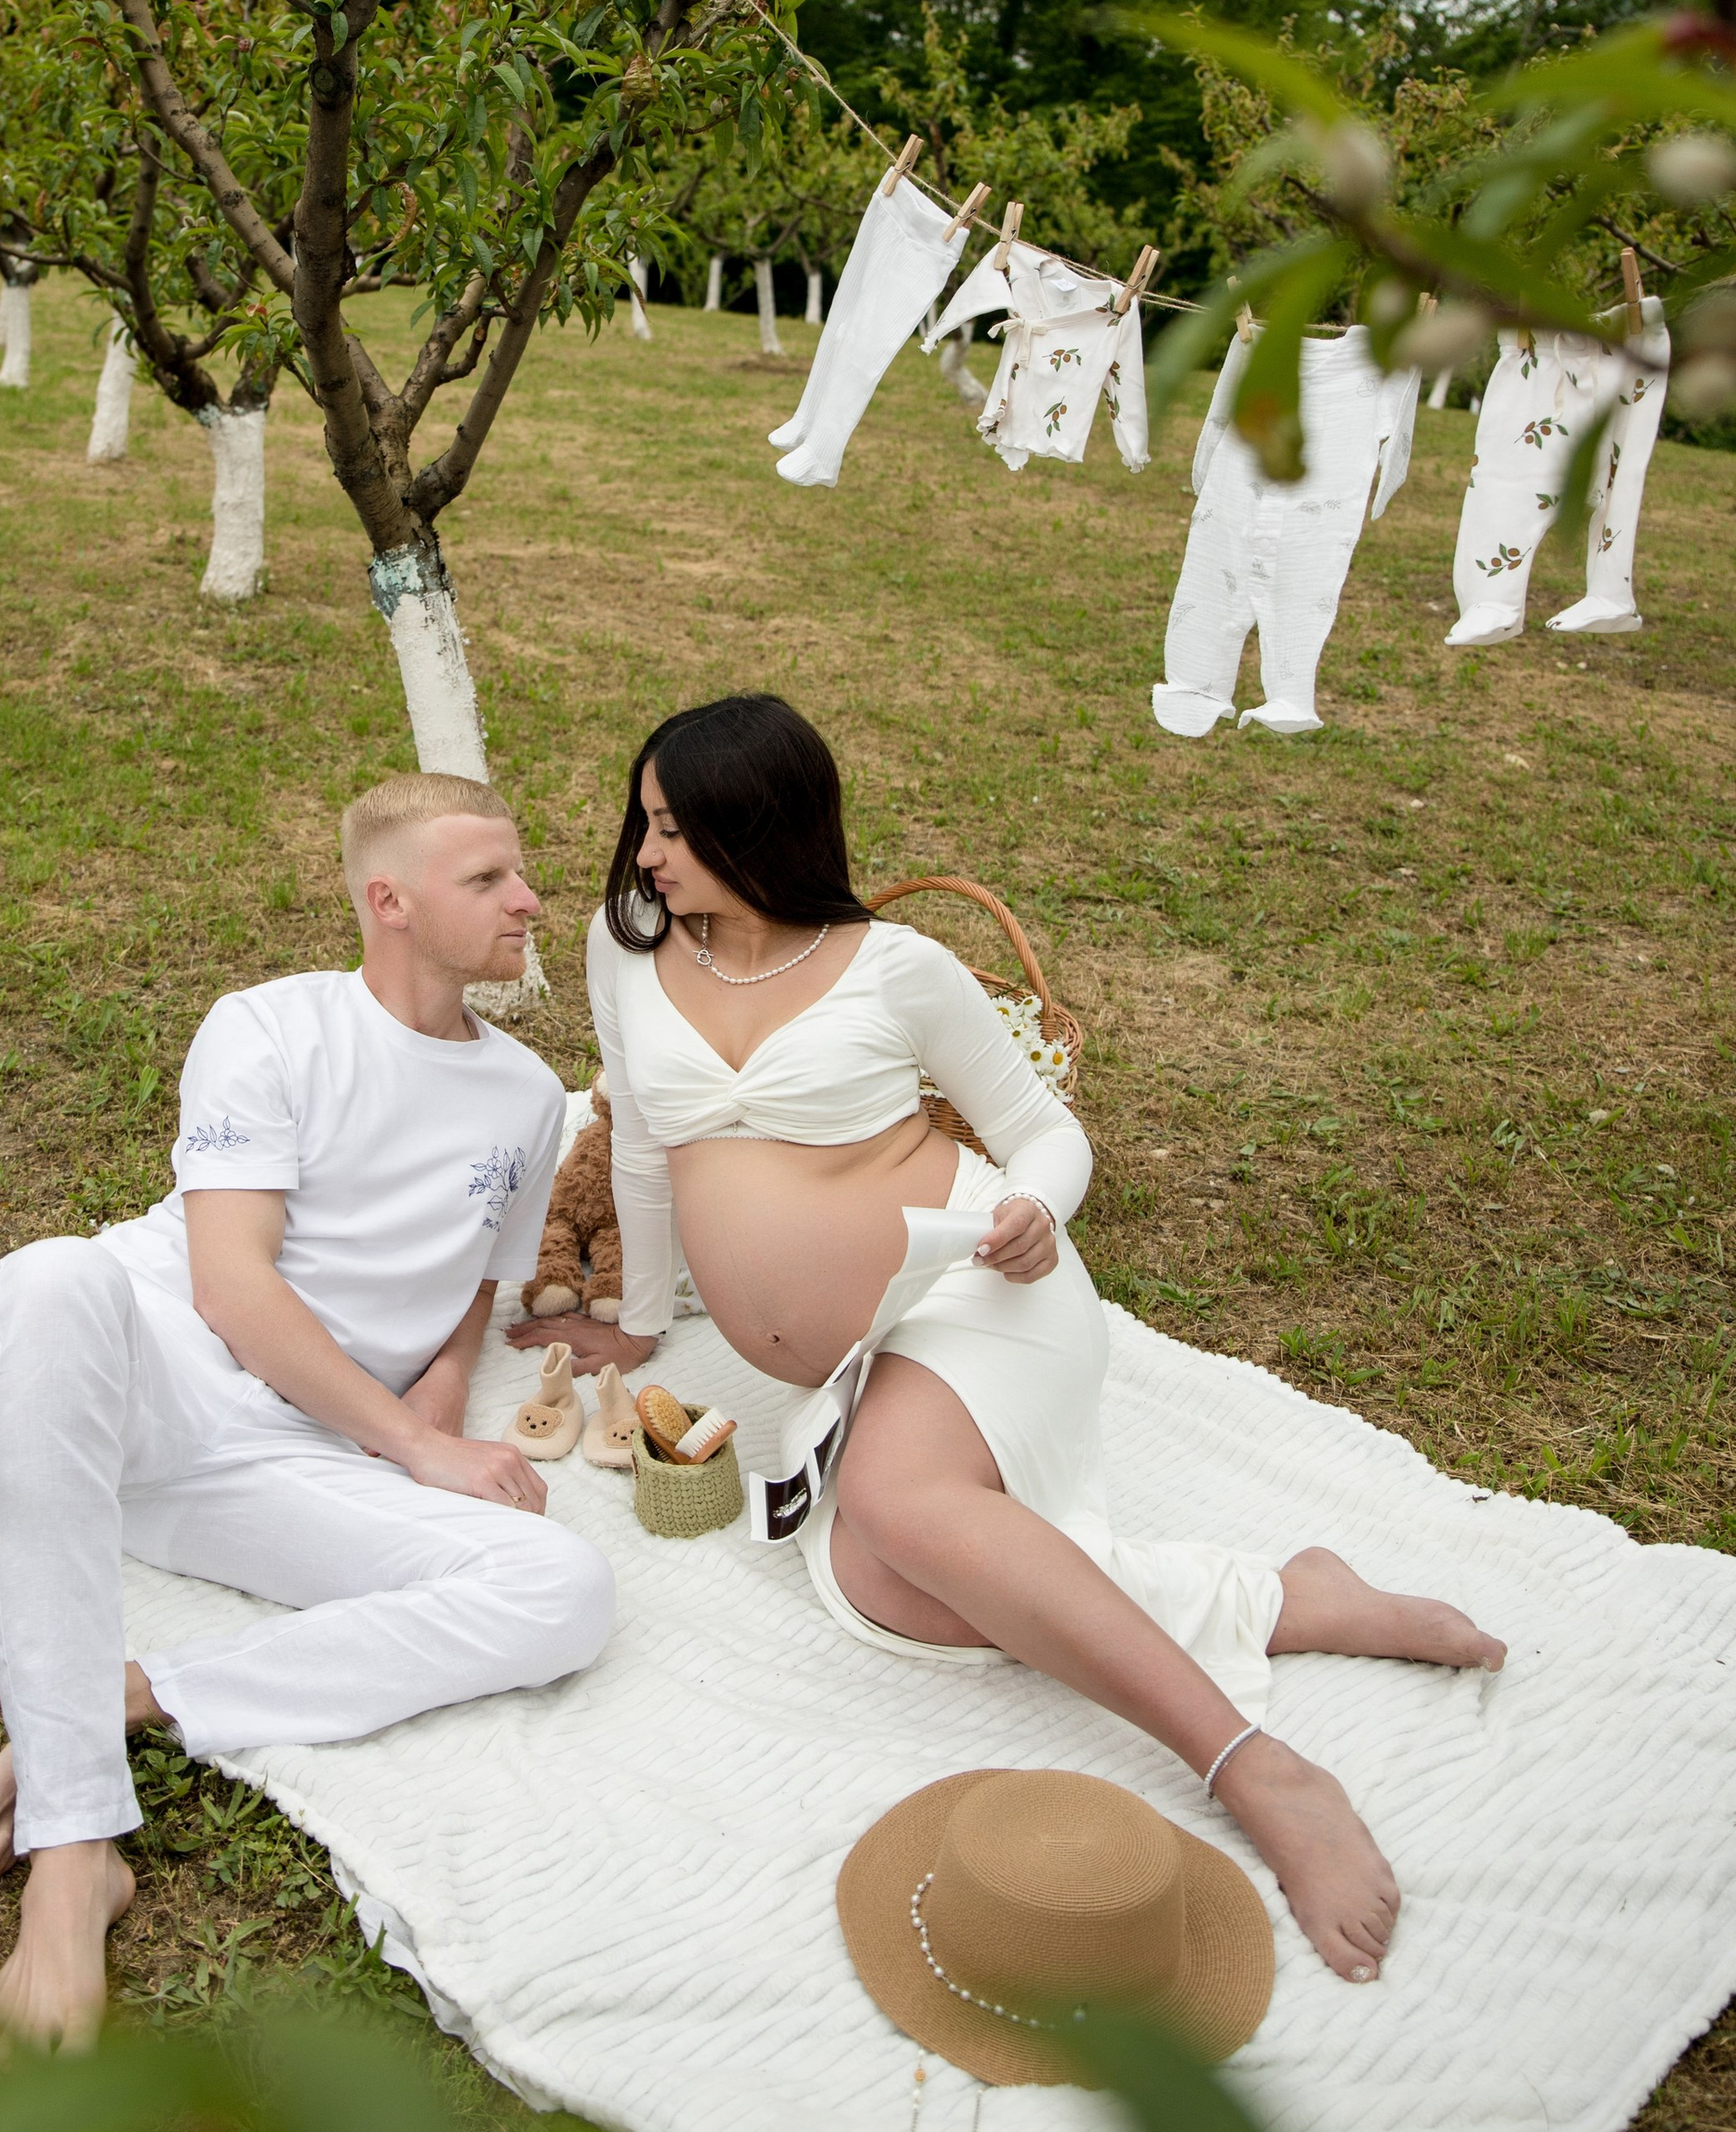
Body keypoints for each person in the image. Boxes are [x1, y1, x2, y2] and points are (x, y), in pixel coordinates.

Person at [586, 693, 1505, 1986]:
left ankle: (1258, 1769)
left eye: (677, 830)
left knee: (900, 1510)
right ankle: (1284, 1597)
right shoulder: (626, 949)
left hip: (972, 1291)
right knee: (886, 1592)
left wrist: (1037, 1210)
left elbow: (1045, 1132)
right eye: (645, 823)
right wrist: (637, 1323)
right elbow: (638, 1143)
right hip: (854, 1356)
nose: (646, 855)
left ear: (762, 827)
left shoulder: (896, 967)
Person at [0, 771, 612, 2052]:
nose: (530, 900)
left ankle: (124, 1695)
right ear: (390, 902)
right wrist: (411, 1441)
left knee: (564, 1592)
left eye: (521, 873)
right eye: (488, 879)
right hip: (159, 1383)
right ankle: (74, 1856)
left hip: (286, 1460)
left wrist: (442, 1390)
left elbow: (481, 1271)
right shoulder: (267, 1026)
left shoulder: (531, 1095)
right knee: (46, 1279)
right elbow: (231, 1285)